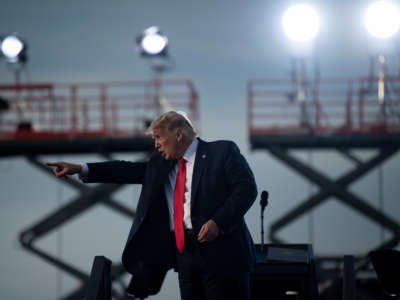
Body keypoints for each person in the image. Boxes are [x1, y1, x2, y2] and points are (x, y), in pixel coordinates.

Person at [46, 111, 258, 300]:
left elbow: (246, 190)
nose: (155, 144)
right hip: (185, 256)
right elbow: (125, 170)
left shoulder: (222, 152)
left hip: (224, 255)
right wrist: (81, 169)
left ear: (178, 135)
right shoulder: (161, 165)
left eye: (158, 137)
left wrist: (218, 222)